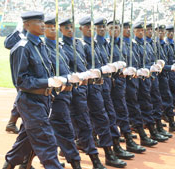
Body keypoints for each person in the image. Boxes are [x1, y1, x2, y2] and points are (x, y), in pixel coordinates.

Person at [2, 11, 64, 169]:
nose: (43, 25)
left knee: (24, 143)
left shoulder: (40, 44)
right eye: (38, 22)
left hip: (43, 101)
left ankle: (8, 166)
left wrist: (54, 84)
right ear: (26, 25)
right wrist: (47, 82)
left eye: (43, 22)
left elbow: (46, 71)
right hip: (30, 102)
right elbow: (21, 81)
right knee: (48, 144)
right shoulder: (22, 47)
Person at [79, 16, 129, 168]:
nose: (99, 29)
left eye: (101, 27)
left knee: (108, 116)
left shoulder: (100, 45)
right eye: (96, 27)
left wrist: (114, 69)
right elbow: (82, 69)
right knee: (96, 119)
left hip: (104, 85)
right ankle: (107, 153)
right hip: (90, 87)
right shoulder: (82, 45)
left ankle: (113, 148)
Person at [59, 18, 106, 169]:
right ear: (61, 30)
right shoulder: (59, 46)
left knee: (84, 124)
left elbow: (85, 65)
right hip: (65, 92)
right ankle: (26, 159)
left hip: (80, 91)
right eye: (66, 27)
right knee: (58, 126)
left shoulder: (79, 44)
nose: (69, 30)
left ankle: (95, 160)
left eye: (71, 27)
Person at [95, 17, 145, 154]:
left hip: (120, 83)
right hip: (105, 84)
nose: (113, 30)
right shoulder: (102, 44)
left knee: (121, 111)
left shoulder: (121, 44)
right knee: (107, 115)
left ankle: (125, 140)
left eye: (116, 28)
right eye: (111, 28)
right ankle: (112, 145)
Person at [44, 15, 82, 169]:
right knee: (64, 128)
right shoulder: (44, 48)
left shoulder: (58, 47)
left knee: (38, 133)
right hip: (55, 96)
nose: (52, 29)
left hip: (67, 94)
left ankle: (24, 162)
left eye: (54, 26)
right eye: (49, 26)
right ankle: (75, 163)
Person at [133, 22, 168, 142]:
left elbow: (150, 59)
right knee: (145, 104)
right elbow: (135, 65)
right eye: (139, 30)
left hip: (151, 78)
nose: (142, 32)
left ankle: (157, 126)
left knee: (156, 101)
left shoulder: (147, 44)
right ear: (135, 32)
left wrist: (156, 64)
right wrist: (148, 68)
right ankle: (151, 130)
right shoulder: (134, 45)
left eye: (143, 30)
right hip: (141, 80)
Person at [4, 17, 28, 134]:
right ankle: (14, 123)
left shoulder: (32, 35)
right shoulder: (20, 35)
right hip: (20, 70)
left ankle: (12, 123)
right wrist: (17, 30)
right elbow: (7, 44)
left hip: (27, 69)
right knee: (23, 95)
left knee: (22, 95)